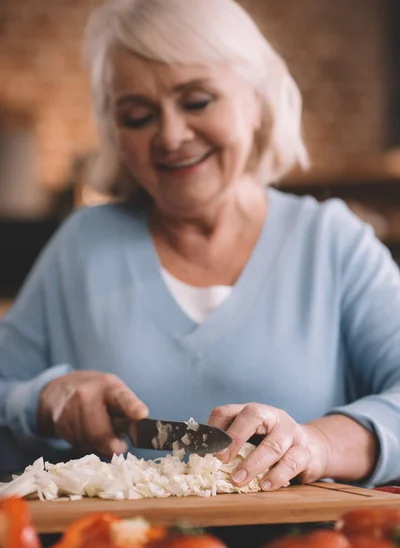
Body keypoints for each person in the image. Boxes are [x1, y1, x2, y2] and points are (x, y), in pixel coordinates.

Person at [0, 0, 399, 493]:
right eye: (138, 115)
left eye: (196, 102)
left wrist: (318, 443)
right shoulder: (80, 248)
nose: (170, 136)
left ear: (257, 101)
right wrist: (39, 401)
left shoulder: (333, 244)